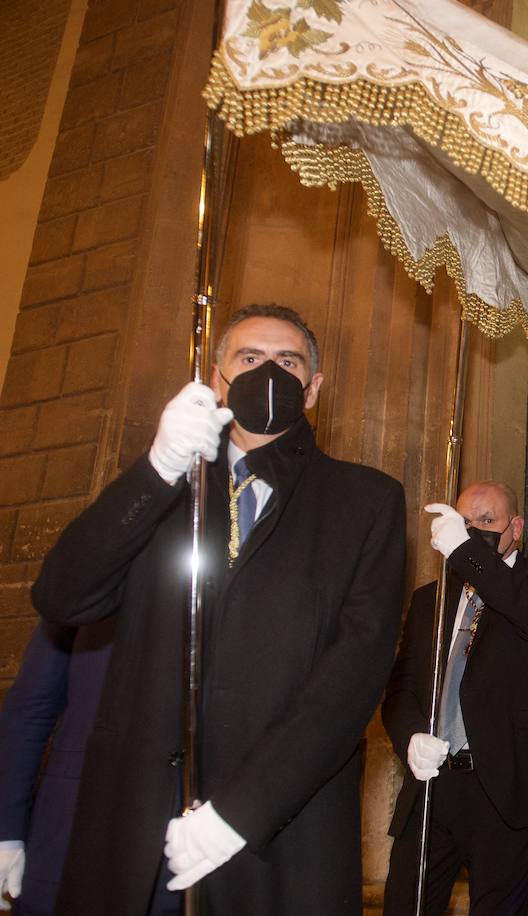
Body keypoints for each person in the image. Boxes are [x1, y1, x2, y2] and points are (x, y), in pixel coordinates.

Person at [30, 304, 407, 915]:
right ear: (216, 377)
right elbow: (64, 594)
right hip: (137, 824)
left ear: (312, 389)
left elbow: (354, 673)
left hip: (275, 831)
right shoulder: (164, 482)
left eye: (288, 362)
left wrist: (242, 811)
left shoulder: (365, 501)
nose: (269, 372)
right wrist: (158, 468)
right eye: (250, 358)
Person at [381, 482, 528, 916]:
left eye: (486, 522)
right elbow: (402, 687)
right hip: (432, 786)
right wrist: (410, 736)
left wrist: (467, 552)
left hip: (505, 787)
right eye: (464, 524)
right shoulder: (430, 599)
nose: (473, 533)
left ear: (516, 527)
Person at [0, 619, 113, 916]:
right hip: (73, 830)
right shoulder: (88, 581)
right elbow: (30, 708)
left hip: (211, 841)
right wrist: (7, 831)